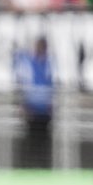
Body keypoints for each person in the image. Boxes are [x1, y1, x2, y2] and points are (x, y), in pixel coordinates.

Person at [14, 36, 54, 169]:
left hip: (44, 111)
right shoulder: (29, 63)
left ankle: (43, 168)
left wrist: (50, 105)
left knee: (44, 141)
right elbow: (23, 83)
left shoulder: (48, 63)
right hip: (32, 109)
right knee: (30, 139)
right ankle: (28, 167)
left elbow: (51, 85)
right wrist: (23, 105)